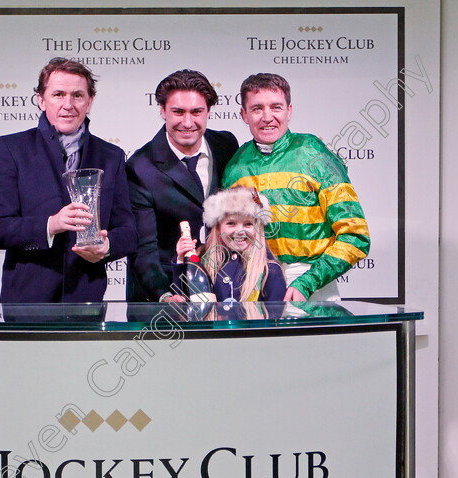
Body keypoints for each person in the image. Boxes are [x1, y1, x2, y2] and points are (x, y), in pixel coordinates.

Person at [0, 57, 137, 302]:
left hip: (87, 303)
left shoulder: (112, 156)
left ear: (90, 102)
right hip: (26, 305)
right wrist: (51, 224)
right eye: (58, 95)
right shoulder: (11, 148)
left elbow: (128, 232)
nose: (68, 104)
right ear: (41, 101)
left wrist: (106, 248)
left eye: (77, 95)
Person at [222, 73, 370, 301]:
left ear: (289, 110)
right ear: (244, 114)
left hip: (311, 287)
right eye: (257, 108)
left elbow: (355, 235)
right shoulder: (235, 167)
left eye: (276, 107)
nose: (267, 117)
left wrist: (307, 282)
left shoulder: (315, 154)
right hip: (251, 289)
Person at [126, 69, 239, 302]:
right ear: (162, 111)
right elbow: (143, 250)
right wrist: (165, 295)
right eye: (178, 112)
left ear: (208, 111)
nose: (187, 123)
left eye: (196, 112)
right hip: (163, 297)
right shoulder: (140, 167)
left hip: (221, 293)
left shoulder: (226, 145)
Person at [173, 187, 286, 317]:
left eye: (248, 224)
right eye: (231, 223)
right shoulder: (202, 262)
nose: (239, 231)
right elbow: (184, 304)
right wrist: (181, 261)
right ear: (218, 227)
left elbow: (274, 321)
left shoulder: (269, 269)